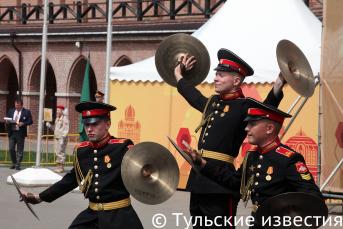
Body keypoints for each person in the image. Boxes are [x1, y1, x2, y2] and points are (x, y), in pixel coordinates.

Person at [174, 49, 286, 227]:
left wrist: (278, 85)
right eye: (216, 74)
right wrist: (179, 75)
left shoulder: (244, 106)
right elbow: (193, 96)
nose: (215, 78)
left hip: (220, 181)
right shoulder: (213, 103)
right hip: (198, 180)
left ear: (236, 81)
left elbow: (266, 111)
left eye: (221, 75)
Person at [188, 99, 323, 228]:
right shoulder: (252, 156)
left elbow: (312, 196)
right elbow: (234, 181)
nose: (246, 128)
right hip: (257, 222)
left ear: (269, 128)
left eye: (252, 124)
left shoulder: (288, 158)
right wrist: (203, 164)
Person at [21, 101, 143, 229]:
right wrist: (39, 197)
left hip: (120, 217)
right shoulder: (82, 151)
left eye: (95, 124)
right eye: (86, 124)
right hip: (92, 216)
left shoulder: (122, 147)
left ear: (108, 124)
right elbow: (70, 180)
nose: (89, 129)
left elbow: (143, 169)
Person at [5, 97, 33, 170]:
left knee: (20, 149)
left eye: (18, 105)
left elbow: (30, 121)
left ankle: (18, 164)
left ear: (21, 105)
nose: (16, 107)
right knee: (11, 148)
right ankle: (14, 163)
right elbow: (7, 119)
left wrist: (23, 123)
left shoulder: (26, 112)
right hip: (12, 132)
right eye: (15, 105)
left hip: (20, 133)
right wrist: (7, 122)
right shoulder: (11, 111)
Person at [46, 105, 70, 173]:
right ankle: (58, 166)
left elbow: (66, 129)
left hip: (61, 138)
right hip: (56, 137)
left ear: (62, 111)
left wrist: (63, 137)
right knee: (57, 152)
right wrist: (50, 125)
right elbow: (55, 129)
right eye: (57, 110)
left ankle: (61, 167)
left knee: (61, 152)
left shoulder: (65, 119)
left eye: (58, 110)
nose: (57, 111)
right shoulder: (57, 119)